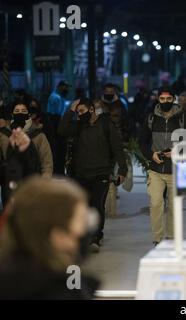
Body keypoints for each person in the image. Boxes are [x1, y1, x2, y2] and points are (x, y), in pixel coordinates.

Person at [0, 177, 100, 299]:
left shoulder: (11, 279)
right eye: (81, 222)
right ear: (58, 236)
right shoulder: (61, 292)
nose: (85, 231)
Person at [58, 98, 127, 251]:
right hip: (80, 174)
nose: (79, 115)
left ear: (91, 110)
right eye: (77, 112)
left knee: (97, 205)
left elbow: (117, 148)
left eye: (81, 111)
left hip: (101, 173)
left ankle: (96, 236)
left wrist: (123, 170)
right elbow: (61, 130)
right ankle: (84, 234)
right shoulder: (77, 127)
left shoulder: (106, 125)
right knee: (83, 206)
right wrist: (70, 110)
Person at [139, 87, 186, 246]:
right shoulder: (151, 118)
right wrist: (151, 155)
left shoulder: (183, 118)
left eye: (168, 99)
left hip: (179, 168)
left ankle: (171, 237)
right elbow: (142, 141)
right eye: (162, 99)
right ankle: (157, 238)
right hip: (156, 168)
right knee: (156, 203)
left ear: (173, 99)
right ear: (157, 99)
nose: (165, 102)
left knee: (175, 206)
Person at [0, 102, 53, 204]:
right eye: (17, 111)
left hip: (32, 183)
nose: (20, 113)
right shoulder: (3, 135)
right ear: (12, 114)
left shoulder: (39, 135)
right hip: (9, 183)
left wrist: (44, 182)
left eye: (23, 111)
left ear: (29, 115)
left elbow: (46, 162)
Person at [47, 80, 71, 175]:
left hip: (56, 121)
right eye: (65, 87)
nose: (67, 89)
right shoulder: (56, 97)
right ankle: (58, 171)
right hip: (55, 122)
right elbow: (58, 113)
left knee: (59, 148)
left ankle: (58, 170)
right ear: (60, 87)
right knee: (59, 148)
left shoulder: (57, 96)